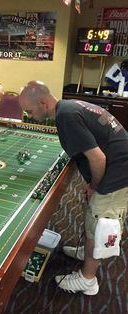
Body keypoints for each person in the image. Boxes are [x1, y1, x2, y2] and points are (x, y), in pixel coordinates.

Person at [19, 80, 128, 295]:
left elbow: (97, 158)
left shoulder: (65, 116)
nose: (29, 116)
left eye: (30, 111)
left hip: (119, 172)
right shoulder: (68, 106)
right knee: (93, 217)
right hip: (118, 163)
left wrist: (94, 186)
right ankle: (86, 252)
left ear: (42, 102)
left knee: (101, 224)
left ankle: (88, 280)